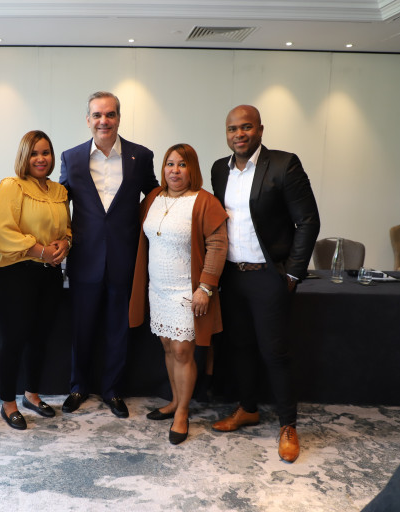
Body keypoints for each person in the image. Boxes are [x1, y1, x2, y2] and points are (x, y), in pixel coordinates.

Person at [210, 105, 320, 463]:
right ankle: (247, 409)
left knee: (274, 352)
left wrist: (292, 273)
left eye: (246, 127)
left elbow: (308, 221)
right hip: (232, 276)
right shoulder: (219, 169)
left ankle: (288, 425)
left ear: (259, 129)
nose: (239, 134)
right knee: (240, 347)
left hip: (269, 277)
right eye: (232, 129)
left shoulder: (284, 165)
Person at [59, 91, 158, 418]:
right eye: (97, 115)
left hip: (124, 258)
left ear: (118, 118)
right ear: (88, 120)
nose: (104, 121)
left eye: (110, 114)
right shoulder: (71, 158)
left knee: (118, 328)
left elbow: (156, 197)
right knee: (81, 328)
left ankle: (113, 390)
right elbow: (58, 205)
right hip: (84, 259)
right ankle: (78, 386)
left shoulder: (140, 156)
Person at [129, 144, 228, 445]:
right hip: (158, 289)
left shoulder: (204, 201)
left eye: (182, 165)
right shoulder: (153, 198)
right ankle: (174, 400)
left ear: (192, 169)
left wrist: (205, 287)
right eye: (170, 164)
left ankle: (183, 412)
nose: (175, 170)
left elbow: (218, 245)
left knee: (183, 351)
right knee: (168, 347)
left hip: (188, 291)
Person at [0, 130, 71, 430]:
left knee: (40, 338)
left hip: (49, 275)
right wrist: (42, 251)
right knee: (14, 340)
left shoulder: (59, 192)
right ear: (24, 156)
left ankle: (31, 395)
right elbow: (3, 231)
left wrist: (65, 244)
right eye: (34, 153)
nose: (40, 158)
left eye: (45, 152)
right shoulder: (12, 186)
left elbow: (67, 229)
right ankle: (8, 403)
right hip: (16, 275)